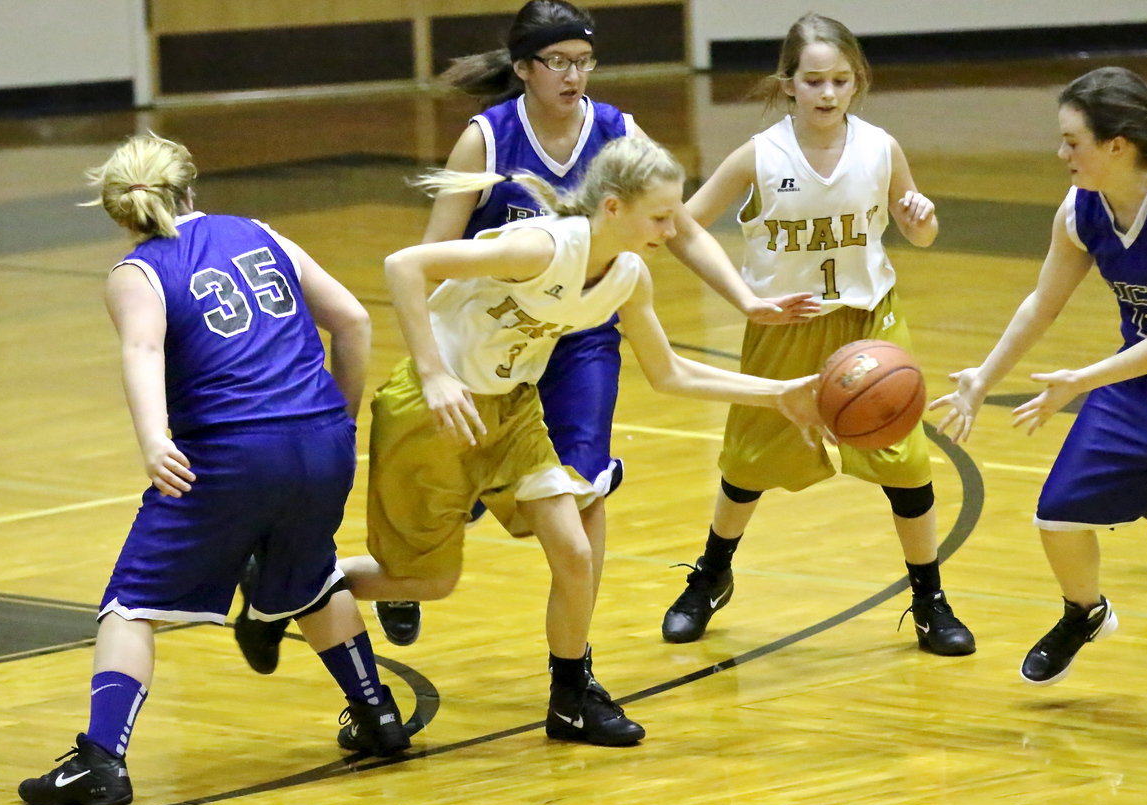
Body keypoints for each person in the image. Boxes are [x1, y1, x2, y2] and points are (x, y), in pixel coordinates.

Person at [231, 0, 816, 662]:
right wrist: (433, 365)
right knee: (448, 527)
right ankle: (401, 563)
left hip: (576, 334)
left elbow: (676, 227)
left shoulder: (620, 139)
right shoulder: (489, 140)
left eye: (585, 61)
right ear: (524, 68)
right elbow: (422, 261)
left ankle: (575, 671)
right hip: (494, 330)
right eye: (559, 62)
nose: (575, 75)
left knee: (581, 489)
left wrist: (747, 302)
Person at [334, 136, 822, 746]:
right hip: (435, 409)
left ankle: (570, 699)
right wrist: (433, 373)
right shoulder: (540, 247)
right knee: (427, 582)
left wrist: (776, 393)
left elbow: (670, 372)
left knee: (574, 552)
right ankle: (298, 587)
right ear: (613, 208)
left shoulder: (628, 276)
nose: (675, 230)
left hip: (511, 412)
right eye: (662, 216)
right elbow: (405, 264)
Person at [18, 133, 405, 805]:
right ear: (190, 188)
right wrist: (335, 419)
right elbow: (352, 320)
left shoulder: (135, 272)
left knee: (130, 605)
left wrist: (153, 438)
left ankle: (101, 760)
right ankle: (377, 714)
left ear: (117, 212)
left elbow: (140, 349)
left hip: (232, 453)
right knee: (311, 575)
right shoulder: (257, 232)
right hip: (321, 440)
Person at [658, 12, 976, 655]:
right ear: (788, 85)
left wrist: (921, 219)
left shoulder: (881, 147)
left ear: (857, 82)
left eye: (840, 80)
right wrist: (746, 299)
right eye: (813, 81)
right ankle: (712, 575)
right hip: (788, 323)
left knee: (907, 465)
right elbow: (679, 228)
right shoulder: (759, 154)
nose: (828, 93)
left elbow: (920, 231)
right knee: (747, 465)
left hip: (869, 325)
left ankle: (929, 599)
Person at [930, 66, 1147, 685]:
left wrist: (1086, 377)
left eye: (1072, 140)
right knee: (1057, 515)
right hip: (1143, 381)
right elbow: (1041, 302)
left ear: (1117, 145)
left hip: (1138, 368)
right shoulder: (1081, 209)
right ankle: (1084, 611)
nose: (1061, 152)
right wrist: (983, 377)